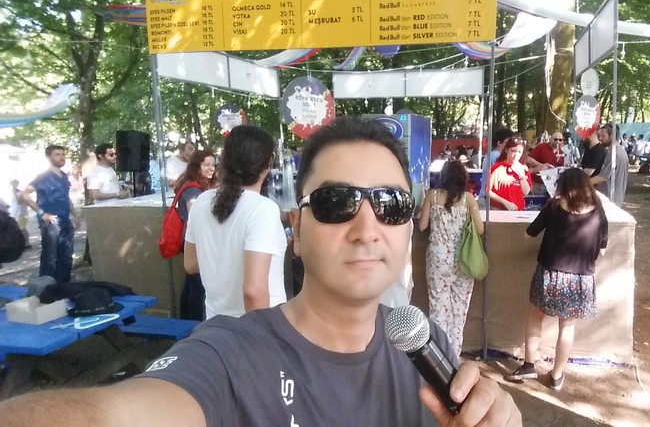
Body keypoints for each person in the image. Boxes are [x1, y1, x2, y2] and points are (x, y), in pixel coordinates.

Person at [0, 117, 522, 426]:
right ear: (297, 229)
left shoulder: (426, 346)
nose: (367, 228)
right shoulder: (227, 355)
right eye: (337, 203)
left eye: (390, 204)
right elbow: (120, 415)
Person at [506, 168, 608, 390]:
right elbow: (602, 250)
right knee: (567, 327)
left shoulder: (553, 206)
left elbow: (528, 233)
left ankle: (529, 365)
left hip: (550, 274)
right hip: (581, 279)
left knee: (535, 318)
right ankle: (556, 376)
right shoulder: (598, 211)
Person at [184, 126, 286, 319]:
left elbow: (191, 264)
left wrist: (222, 257)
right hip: (254, 329)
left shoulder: (202, 201)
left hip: (215, 324)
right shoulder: (263, 209)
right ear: (268, 163)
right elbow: (254, 292)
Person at [418, 160, 484, 357]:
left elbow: (422, 226)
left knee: (438, 309)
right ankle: (454, 356)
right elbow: (480, 229)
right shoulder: (468, 199)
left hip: (437, 260)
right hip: (463, 260)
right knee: (458, 311)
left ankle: (439, 356)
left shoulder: (432, 195)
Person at [18, 145, 81, 283]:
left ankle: (63, 286)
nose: (61, 157)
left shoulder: (64, 176)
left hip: (66, 221)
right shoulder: (43, 177)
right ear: (48, 157)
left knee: (66, 256)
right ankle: (47, 288)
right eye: (57, 154)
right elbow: (24, 195)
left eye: (63, 154)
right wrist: (42, 214)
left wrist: (75, 215)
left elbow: (66, 197)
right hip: (51, 223)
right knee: (50, 257)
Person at [173, 149, 217, 321]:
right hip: (195, 241)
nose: (211, 168)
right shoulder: (192, 189)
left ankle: (186, 322)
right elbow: (195, 216)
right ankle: (194, 324)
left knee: (191, 283)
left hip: (192, 240)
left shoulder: (193, 185)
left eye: (213, 164)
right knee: (198, 285)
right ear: (196, 166)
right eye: (206, 165)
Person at [488, 137, 533, 211]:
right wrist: (505, 202)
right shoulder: (497, 167)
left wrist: (521, 176)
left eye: (519, 152)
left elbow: (526, 192)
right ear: (506, 150)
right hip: (499, 209)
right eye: (513, 151)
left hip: (518, 209)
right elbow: (488, 190)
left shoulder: (523, 168)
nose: (516, 155)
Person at [592, 124, 629, 207]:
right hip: (615, 197)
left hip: (610, 199)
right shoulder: (621, 151)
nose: (600, 138)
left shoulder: (614, 154)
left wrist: (583, 183)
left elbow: (602, 177)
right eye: (599, 135)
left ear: (612, 136)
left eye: (603, 136)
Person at [480, 127, 514, 203]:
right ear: (499, 143)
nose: (510, 145)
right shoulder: (497, 156)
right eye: (508, 143)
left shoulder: (490, 155)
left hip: (485, 197)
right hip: (490, 200)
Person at [9, 179, 32, 248]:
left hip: (22, 213)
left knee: (22, 228)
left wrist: (15, 193)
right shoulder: (13, 192)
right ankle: (25, 242)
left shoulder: (19, 192)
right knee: (21, 228)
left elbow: (19, 201)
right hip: (17, 213)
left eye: (15, 183)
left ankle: (27, 243)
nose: (13, 185)